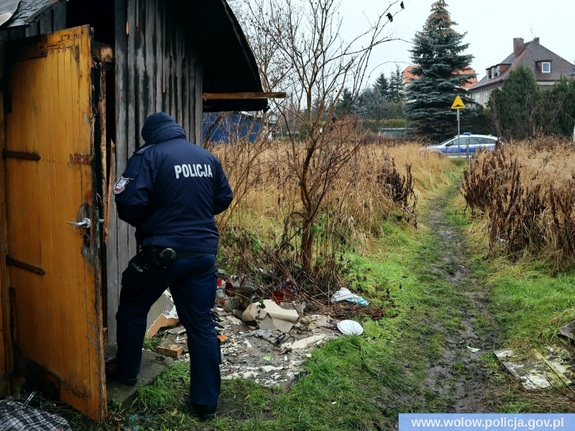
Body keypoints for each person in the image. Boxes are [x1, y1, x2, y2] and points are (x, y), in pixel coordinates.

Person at [108, 112, 233, 421]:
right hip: (202, 255)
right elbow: (223, 198)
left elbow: (128, 202)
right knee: (200, 324)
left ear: (149, 135)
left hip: (162, 254)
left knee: (133, 307)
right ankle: (205, 405)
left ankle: (126, 372)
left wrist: (154, 219)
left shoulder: (149, 155)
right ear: (176, 131)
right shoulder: (206, 157)